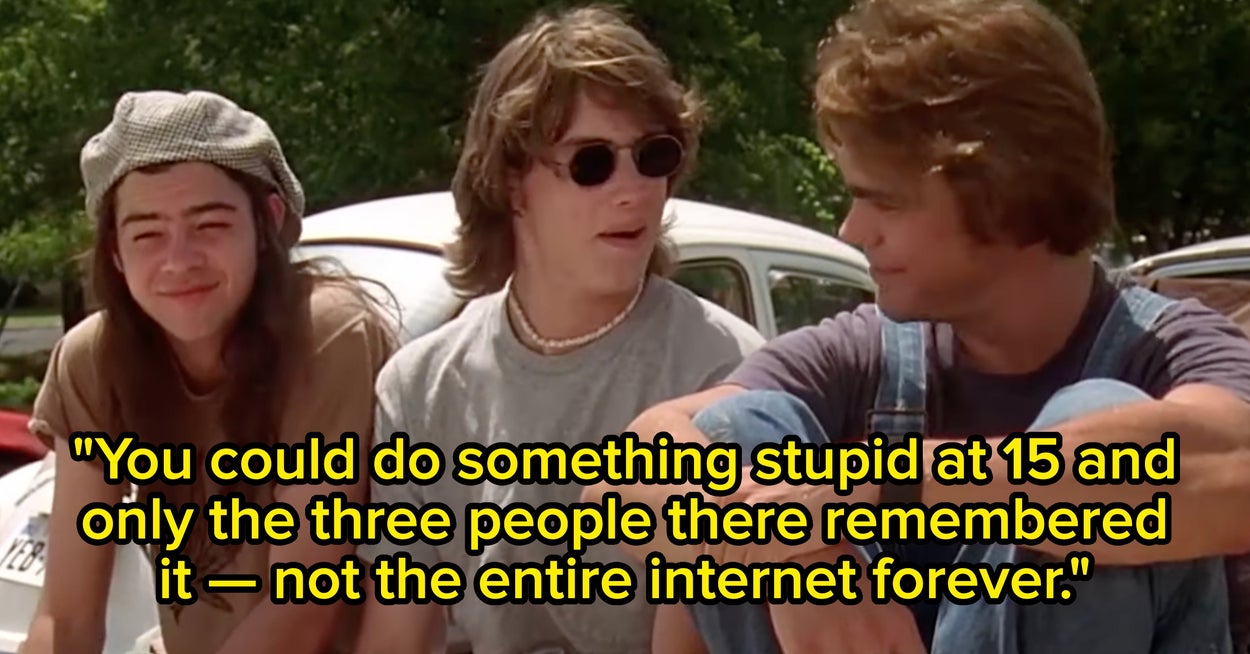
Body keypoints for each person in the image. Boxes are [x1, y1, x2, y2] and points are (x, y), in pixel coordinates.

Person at [585, 1, 1250, 653]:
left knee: (1099, 434)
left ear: (1004, 190)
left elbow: (1232, 466)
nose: (852, 230)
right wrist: (790, 544)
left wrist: (874, 487)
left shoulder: (1170, 349)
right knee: (738, 431)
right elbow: (631, 471)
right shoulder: (866, 353)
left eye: (883, 200)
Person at [352, 6, 764, 654]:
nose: (633, 190)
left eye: (653, 156)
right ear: (511, 181)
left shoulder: (728, 373)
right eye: (592, 163)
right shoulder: (422, 385)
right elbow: (396, 633)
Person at [19, 90, 397, 654]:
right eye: (147, 234)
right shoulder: (93, 362)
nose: (179, 261)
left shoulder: (327, 334)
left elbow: (304, 606)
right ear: (116, 252)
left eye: (210, 225)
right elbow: (67, 619)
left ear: (267, 223)